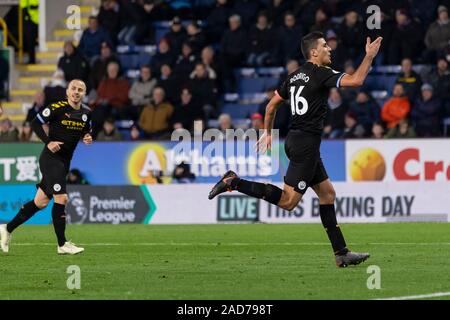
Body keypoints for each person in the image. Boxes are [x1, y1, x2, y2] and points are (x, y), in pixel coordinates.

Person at [208, 31, 383, 268]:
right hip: (306, 146)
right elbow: (356, 81)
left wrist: (268, 133)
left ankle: (341, 253)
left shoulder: (293, 77)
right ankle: (233, 182)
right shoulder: (321, 73)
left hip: (295, 140)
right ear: (314, 52)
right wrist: (369, 56)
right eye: (324, 46)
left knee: (327, 194)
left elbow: (271, 107)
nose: (329, 49)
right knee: (288, 202)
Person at [0, 79, 93, 255]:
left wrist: (87, 137)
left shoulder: (87, 113)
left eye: (80, 89)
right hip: (51, 159)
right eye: (73, 88)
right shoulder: (57, 107)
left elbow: (86, 130)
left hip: (64, 163)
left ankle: (6, 228)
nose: (76, 92)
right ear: (67, 91)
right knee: (62, 198)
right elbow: (35, 122)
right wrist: (48, 142)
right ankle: (62, 244)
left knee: (40, 202)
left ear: (84, 93)